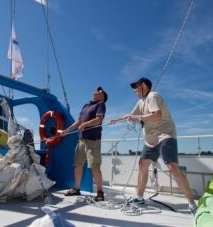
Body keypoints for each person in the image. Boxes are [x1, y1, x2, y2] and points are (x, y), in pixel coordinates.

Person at [107, 77, 198, 215]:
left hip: (165, 135)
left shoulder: (153, 96)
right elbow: (131, 115)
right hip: (150, 140)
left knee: (172, 168)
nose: (134, 90)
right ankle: (139, 198)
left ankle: (192, 204)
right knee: (142, 164)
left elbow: (157, 115)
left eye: (136, 87)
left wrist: (139, 118)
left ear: (144, 85)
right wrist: (116, 120)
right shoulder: (140, 102)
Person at [61, 86, 108, 202]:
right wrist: (66, 131)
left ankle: (100, 192)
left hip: (93, 141)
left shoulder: (100, 104)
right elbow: (78, 122)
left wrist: (85, 125)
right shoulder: (86, 106)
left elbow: (99, 119)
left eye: (100, 91)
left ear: (102, 97)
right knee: (78, 165)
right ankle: (76, 189)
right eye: (97, 89)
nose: (97, 91)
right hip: (81, 140)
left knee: (95, 167)